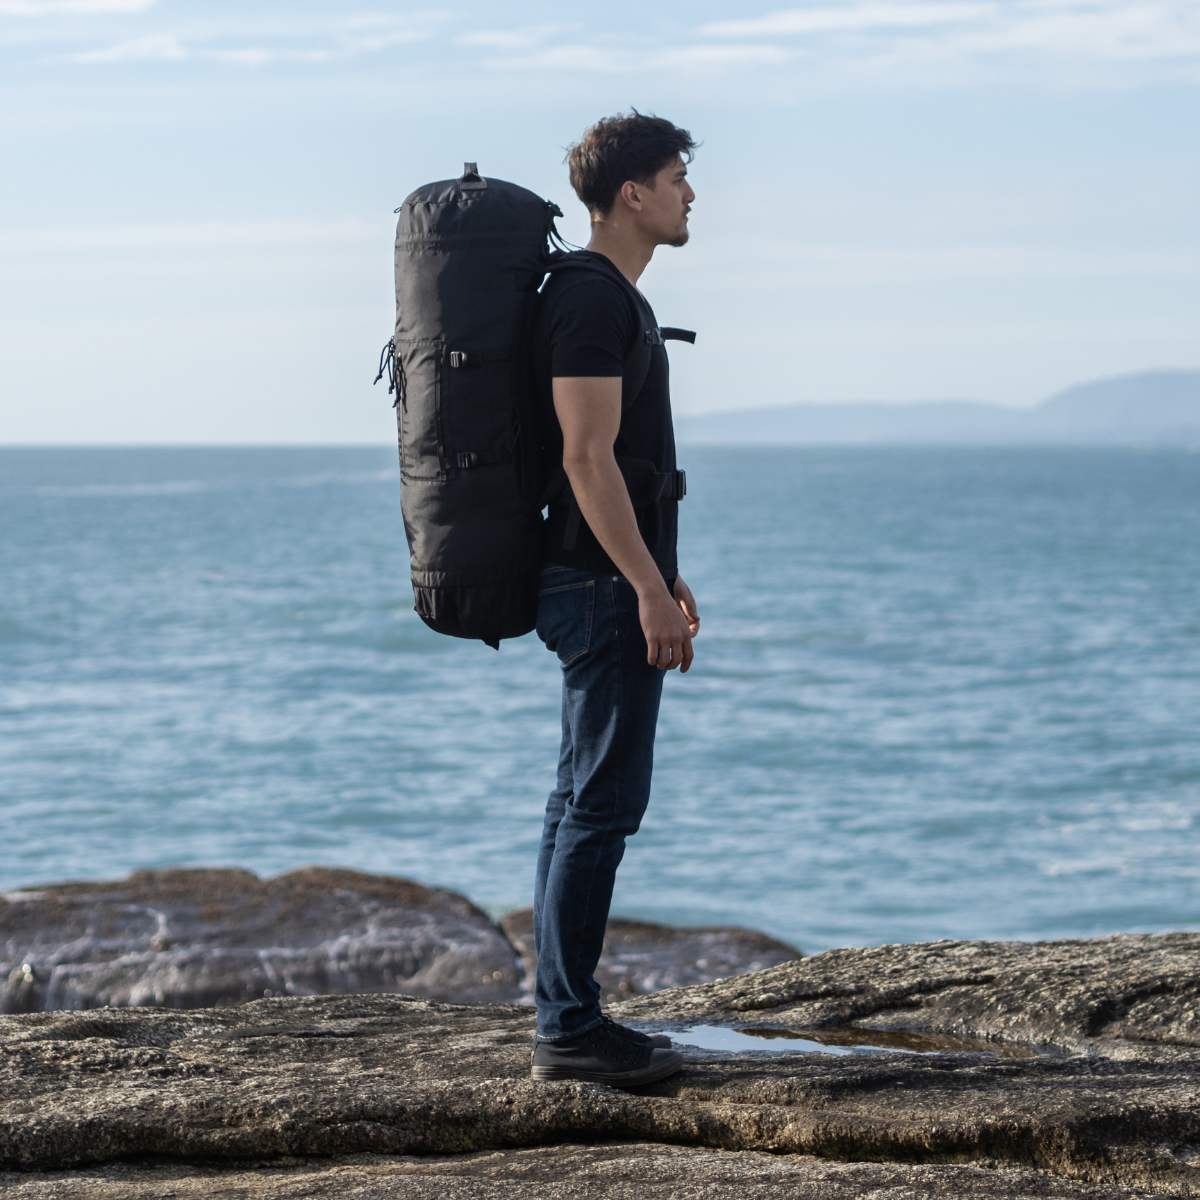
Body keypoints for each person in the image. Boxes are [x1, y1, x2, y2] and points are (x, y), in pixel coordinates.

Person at [528, 112, 700, 1087]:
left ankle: (566, 1014)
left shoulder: (606, 297)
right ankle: (569, 1029)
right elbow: (585, 456)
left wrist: (663, 571)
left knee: (580, 802)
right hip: (598, 589)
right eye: (676, 179)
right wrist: (642, 586)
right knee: (600, 806)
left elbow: (622, 466)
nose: (690, 196)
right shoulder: (593, 299)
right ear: (631, 194)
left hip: (607, 579)